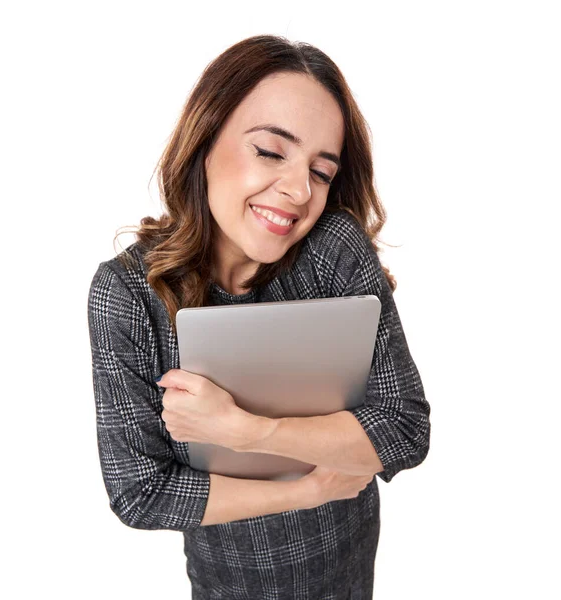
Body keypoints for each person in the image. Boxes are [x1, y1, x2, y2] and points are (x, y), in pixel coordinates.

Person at [87, 34, 431, 600]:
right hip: (225, 582)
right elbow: (140, 492)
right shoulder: (127, 292)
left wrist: (248, 432)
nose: (298, 190)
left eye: (321, 172)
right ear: (206, 139)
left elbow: (404, 429)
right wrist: (307, 490)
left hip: (345, 569)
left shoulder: (333, 250)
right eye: (271, 151)